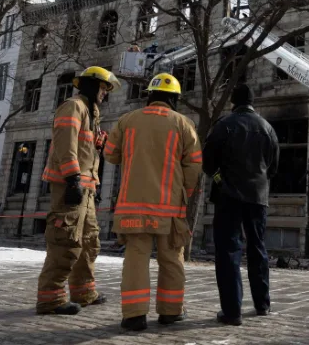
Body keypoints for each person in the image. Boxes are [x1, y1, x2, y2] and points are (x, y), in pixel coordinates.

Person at [104, 73, 202, 332]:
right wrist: (185, 194)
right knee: (171, 259)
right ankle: (171, 312)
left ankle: (134, 316)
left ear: (150, 96)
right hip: (169, 210)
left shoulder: (127, 120)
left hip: (132, 206)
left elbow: (110, 155)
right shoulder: (183, 123)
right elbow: (194, 165)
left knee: (136, 258)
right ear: (174, 99)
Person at [36, 66, 120, 315]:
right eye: (103, 88)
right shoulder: (73, 106)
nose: (105, 93)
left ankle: (84, 292)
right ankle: (50, 298)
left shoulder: (90, 113)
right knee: (66, 240)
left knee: (89, 240)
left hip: (85, 188)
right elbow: (66, 144)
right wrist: (72, 178)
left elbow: (85, 150)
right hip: (70, 186)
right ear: (91, 85)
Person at [203, 83, 279, 326]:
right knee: (258, 248)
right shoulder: (267, 128)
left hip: (229, 196)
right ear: (253, 102)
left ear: (233, 103)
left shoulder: (224, 125)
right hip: (258, 197)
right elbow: (273, 166)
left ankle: (232, 310)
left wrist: (219, 178)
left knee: (228, 251)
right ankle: (262, 304)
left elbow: (208, 162)